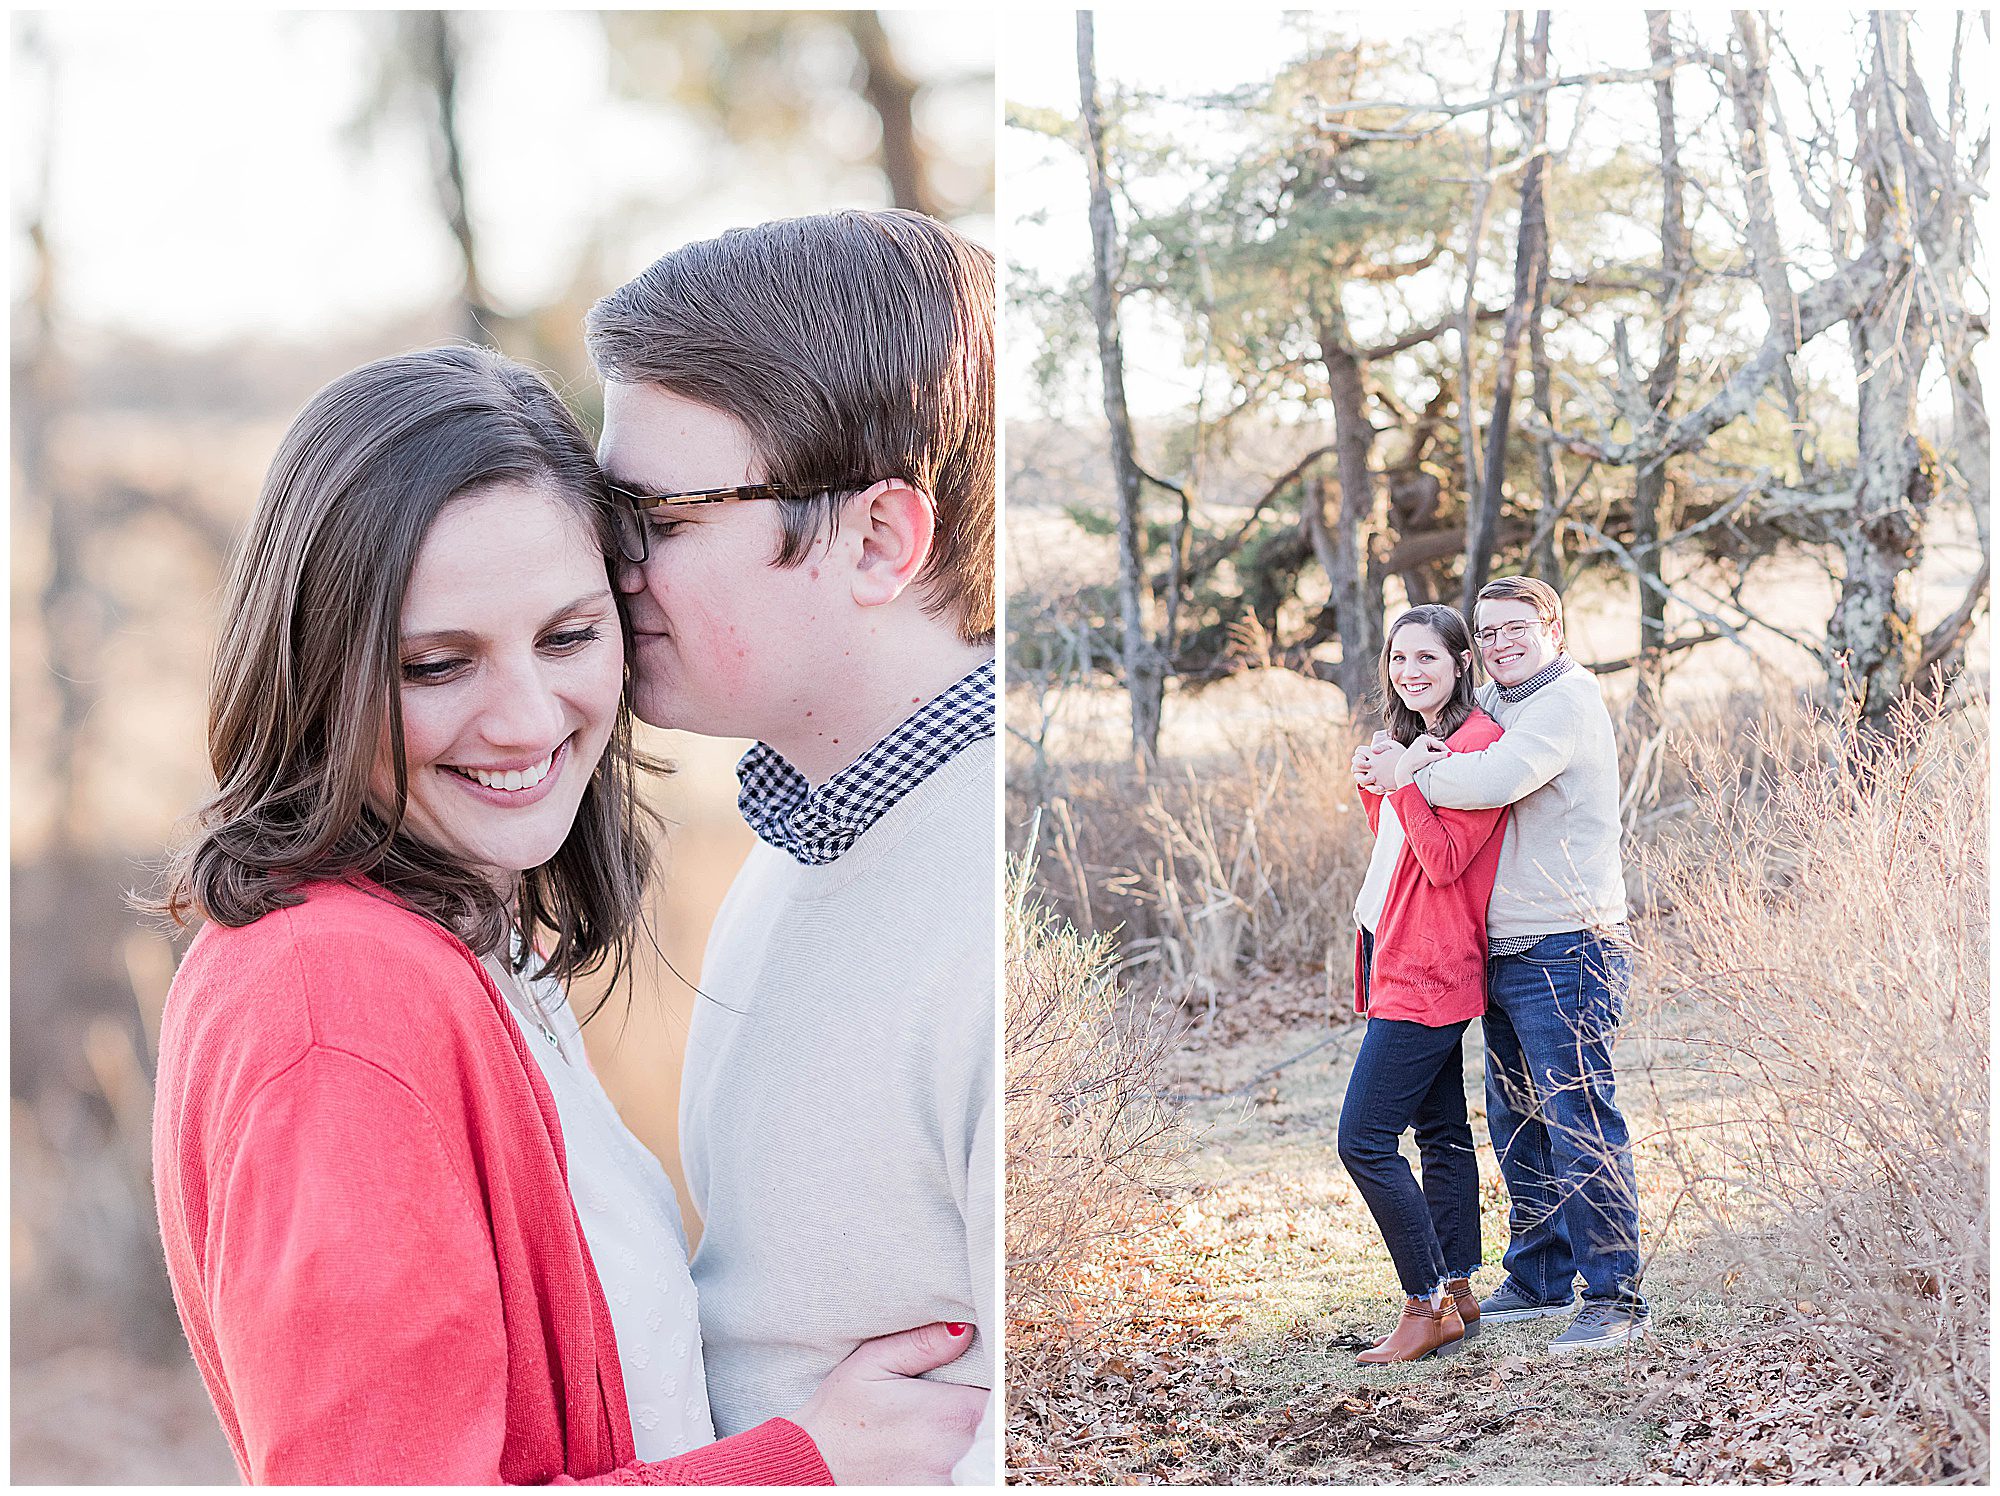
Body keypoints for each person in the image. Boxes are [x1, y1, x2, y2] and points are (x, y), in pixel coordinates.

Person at [146, 346, 983, 1484]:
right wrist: (798, 1463)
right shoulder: (333, 998)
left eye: (568, 637)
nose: (527, 718)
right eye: (437, 664)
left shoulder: (462, 953)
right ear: (314, 670)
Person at [586, 209, 998, 1481]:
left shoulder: (987, 898)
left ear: (877, 539)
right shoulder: (805, 844)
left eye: (660, 514)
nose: (611, 566)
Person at [1361, 574, 1649, 1354]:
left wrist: (1406, 774)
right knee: (1516, 1119)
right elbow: (1443, 790)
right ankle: (1538, 1275)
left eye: (1515, 628)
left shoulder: (1566, 702)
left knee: (1578, 1115)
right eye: (1486, 632)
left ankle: (1615, 1296)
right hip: (1501, 948)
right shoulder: (1497, 702)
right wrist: (1398, 763)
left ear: (1553, 627)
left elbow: (1491, 780)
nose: (1499, 643)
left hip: (1569, 942)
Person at [1340, 605, 1509, 1364]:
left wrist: (1409, 780)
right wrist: (1382, 783)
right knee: (1440, 1134)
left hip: (1431, 967)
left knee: (1364, 1139)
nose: (1410, 672)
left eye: (1427, 659)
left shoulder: (1476, 746)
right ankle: (1460, 1291)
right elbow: (1402, 848)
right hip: (1395, 952)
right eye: (1399, 659)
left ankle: (1426, 1301)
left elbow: (1445, 863)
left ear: (1460, 663)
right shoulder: (1422, 741)